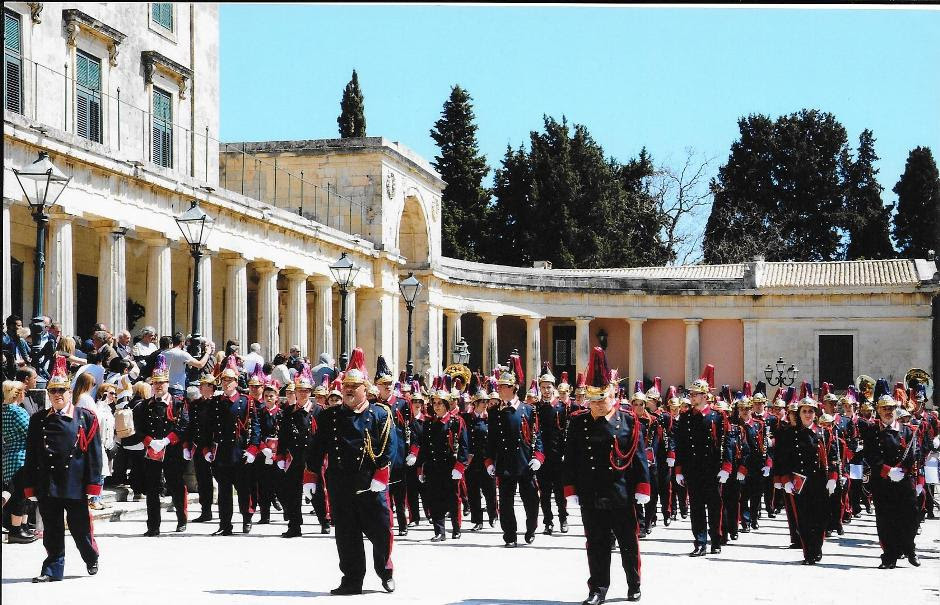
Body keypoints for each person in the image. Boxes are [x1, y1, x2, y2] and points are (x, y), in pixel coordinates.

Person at [305, 348, 396, 595]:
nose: (348, 389)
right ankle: (352, 579)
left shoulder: (380, 414)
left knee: (380, 530)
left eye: (355, 386)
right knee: (346, 535)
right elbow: (316, 448)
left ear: (365, 389)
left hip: (370, 483)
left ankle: (385, 571)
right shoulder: (330, 416)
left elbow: (389, 446)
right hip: (340, 483)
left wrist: (381, 475)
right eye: (346, 385)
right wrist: (311, 476)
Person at [563, 346, 649, 605]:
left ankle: (634, 584)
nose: (598, 405)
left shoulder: (630, 421)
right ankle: (598, 589)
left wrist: (643, 487)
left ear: (613, 395)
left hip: (621, 492)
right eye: (593, 401)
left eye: (603, 399)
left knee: (627, 543)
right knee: (596, 544)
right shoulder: (578, 422)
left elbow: (639, 457)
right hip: (591, 492)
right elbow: (572, 458)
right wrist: (570, 490)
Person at [22, 356, 102, 582]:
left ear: (70, 392)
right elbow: (31, 454)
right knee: (52, 530)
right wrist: (30, 486)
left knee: (80, 530)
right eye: (53, 391)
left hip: (75, 483)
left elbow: (94, 454)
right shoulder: (38, 420)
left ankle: (90, 556)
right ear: (48, 394)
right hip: (48, 483)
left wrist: (94, 484)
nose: (57, 395)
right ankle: (52, 569)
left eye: (62, 390)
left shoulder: (85, 417)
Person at [123, 354, 189, 535]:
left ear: (168, 383)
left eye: (162, 383)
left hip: (172, 451)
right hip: (151, 452)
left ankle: (182, 519)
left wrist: (167, 441)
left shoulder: (178, 403)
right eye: (155, 383)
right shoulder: (144, 406)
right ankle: (153, 526)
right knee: (152, 489)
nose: (159, 386)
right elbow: (138, 429)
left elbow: (184, 426)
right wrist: (151, 442)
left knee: (176, 486)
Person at [485, 354, 544, 547]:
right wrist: (489, 461)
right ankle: (509, 535)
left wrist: (538, 457)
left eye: (504, 387)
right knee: (506, 502)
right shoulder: (494, 413)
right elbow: (491, 440)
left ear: (514, 388)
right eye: (499, 387)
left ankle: (531, 529)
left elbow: (537, 436)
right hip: (505, 462)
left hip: (525, 461)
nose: (500, 390)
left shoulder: (528, 410)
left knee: (531, 501)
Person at [864, 380, 922, 569]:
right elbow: (870, 455)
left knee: (911, 516)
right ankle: (889, 556)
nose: (888, 411)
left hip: (904, 481)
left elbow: (913, 454)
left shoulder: (907, 430)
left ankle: (909, 547)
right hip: (882, 481)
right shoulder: (872, 431)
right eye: (884, 409)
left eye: (891, 408)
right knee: (886, 520)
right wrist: (888, 471)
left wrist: (902, 470)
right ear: (878, 411)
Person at [779, 383, 838, 565]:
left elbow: (833, 456)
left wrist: (833, 478)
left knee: (820, 518)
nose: (807, 415)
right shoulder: (790, 434)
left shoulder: (824, 433)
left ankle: (817, 548)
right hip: (800, 482)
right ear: (799, 413)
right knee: (803, 519)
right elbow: (783, 459)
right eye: (804, 411)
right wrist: (785, 480)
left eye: (811, 411)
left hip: (819, 481)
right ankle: (808, 553)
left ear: (815, 413)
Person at [674, 364, 729, 556]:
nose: (692, 396)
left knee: (714, 506)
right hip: (692, 469)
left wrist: (726, 467)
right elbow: (680, 444)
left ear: (705, 396)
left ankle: (716, 539)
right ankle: (699, 542)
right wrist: (679, 470)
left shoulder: (717, 417)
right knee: (696, 507)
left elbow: (726, 442)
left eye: (696, 394)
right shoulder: (685, 417)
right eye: (691, 393)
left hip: (712, 468)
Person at [210, 357, 260, 536]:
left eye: (229, 380)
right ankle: (225, 524)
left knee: (244, 490)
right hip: (223, 452)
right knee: (224, 492)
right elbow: (211, 427)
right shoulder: (216, 402)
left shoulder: (246, 401)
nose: (225, 383)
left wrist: (253, 449)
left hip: (241, 452)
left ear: (236, 382)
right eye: (223, 380)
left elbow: (255, 427)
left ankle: (247, 518)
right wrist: (208, 449)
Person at [414, 377, 469, 541]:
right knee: (434, 499)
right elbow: (423, 448)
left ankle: (456, 527)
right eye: (434, 403)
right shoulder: (429, 424)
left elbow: (464, 446)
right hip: (432, 467)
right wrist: (420, 469)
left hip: (450, 467)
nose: (436, 406)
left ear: (446, 404)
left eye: (440, 403)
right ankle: (439, 531)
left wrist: (460, 467)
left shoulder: (456, 422)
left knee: (453, 499)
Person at [374, 355, 410, 536]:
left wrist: (411, 452)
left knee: (399, 492)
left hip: (399, 452)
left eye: (389, 383)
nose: (387, 386)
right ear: (377, 386)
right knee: (382, 491)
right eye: (383, 383)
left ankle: (403, 523)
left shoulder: (402, 403)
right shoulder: (374, 405)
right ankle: (384, 522)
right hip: (380, 452)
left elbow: (409, 430)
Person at [278, 372, 316, 538]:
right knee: (291, 493)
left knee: (317, 492)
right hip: (294, 457)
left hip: (312, 457)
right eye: (300, 390)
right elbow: (283, 436)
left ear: (310, 392)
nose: (302, 393)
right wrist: (280, 455)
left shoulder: (317, 410)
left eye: (306, 390)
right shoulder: (288, 412)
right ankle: (294, 525)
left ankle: (326, 520)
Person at [3, 380, 38, 543]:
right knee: (21, 495)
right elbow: (31, 433)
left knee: (21, 493)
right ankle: (17, 530)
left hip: (9, 455)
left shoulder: (3, 411)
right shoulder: (18, 412)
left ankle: (22, 527)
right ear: (19, 394)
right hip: (22, 456)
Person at [535, 363, 568, 534]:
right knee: (544, 492)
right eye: (543, 387)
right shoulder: (537, 408)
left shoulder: (561, 407)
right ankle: (548, 521)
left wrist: (565, 454)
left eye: (549, 387)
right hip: (542, 456)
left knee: (560, 493)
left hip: (558, 456)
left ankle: (563, 519)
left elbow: (565, 432)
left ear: (553, 388)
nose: (546, 390)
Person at [464, 379, 497, 531]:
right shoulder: (466, 419)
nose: (485, 403)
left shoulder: (491, 418)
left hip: (486, 460)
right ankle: (478, 520)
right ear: (475, 403)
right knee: (473, 491)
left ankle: (493, 515)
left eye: (486, 401)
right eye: (482, 401)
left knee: (489, 490)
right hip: (472, 461)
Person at [187, 375, 217, 523]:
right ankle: (206, 510)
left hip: (215, 446)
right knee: (203, 479)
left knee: (221, 478)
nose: (202, 388)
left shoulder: (217, 403)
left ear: (212, 387)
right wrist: (188, 444)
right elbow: (192, 425)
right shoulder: (195, 404)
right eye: (202, 385)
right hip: (199, 445)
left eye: (206, 385)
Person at [163, 333, 213, 398]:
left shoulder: (163, 353)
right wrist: (207, 353)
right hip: (177, 388)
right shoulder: (182, 354)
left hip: (165, 387)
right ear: (182, 342)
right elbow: (200, 364)